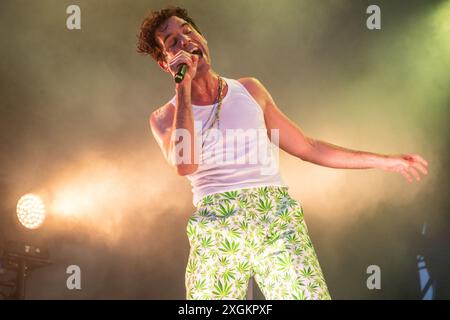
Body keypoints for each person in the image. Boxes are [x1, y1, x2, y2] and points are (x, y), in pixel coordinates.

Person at [136, 6, 429, 300]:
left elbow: (307, 147)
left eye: (187, 30)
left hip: (275, 217)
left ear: (203, 37)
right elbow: (185, 164)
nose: (185, 41)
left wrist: (383, 161)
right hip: (217, 226)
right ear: (165, 63)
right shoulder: (164, 117)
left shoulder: (249, 90)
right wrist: (183, 88)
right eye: (173, 42)